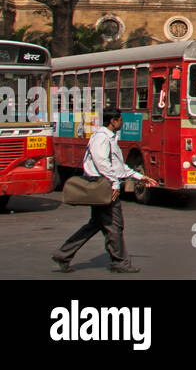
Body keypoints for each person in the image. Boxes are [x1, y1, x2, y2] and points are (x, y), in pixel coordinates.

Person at [52, 108, 160, 273]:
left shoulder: (109, 138)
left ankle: (63, 254)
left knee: (97, 224)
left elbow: (117, 165)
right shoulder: (101, 138)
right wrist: (115, 184)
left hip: (105, 183)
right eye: (120, 120)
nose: (122, 123)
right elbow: (103, 163)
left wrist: (139, 177)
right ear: (113, 121)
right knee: (114, 224)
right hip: (103, 185)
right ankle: (119, 262)